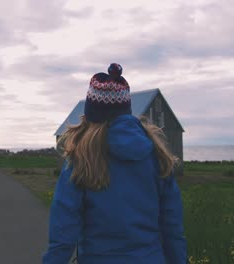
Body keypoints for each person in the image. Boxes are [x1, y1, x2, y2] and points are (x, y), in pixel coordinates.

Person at [42, 63, 187, 263]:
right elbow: (173, 231)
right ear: (126, 110)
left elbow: (63, 238)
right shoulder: (157, 157)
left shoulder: (81, 160)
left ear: (91, 115)